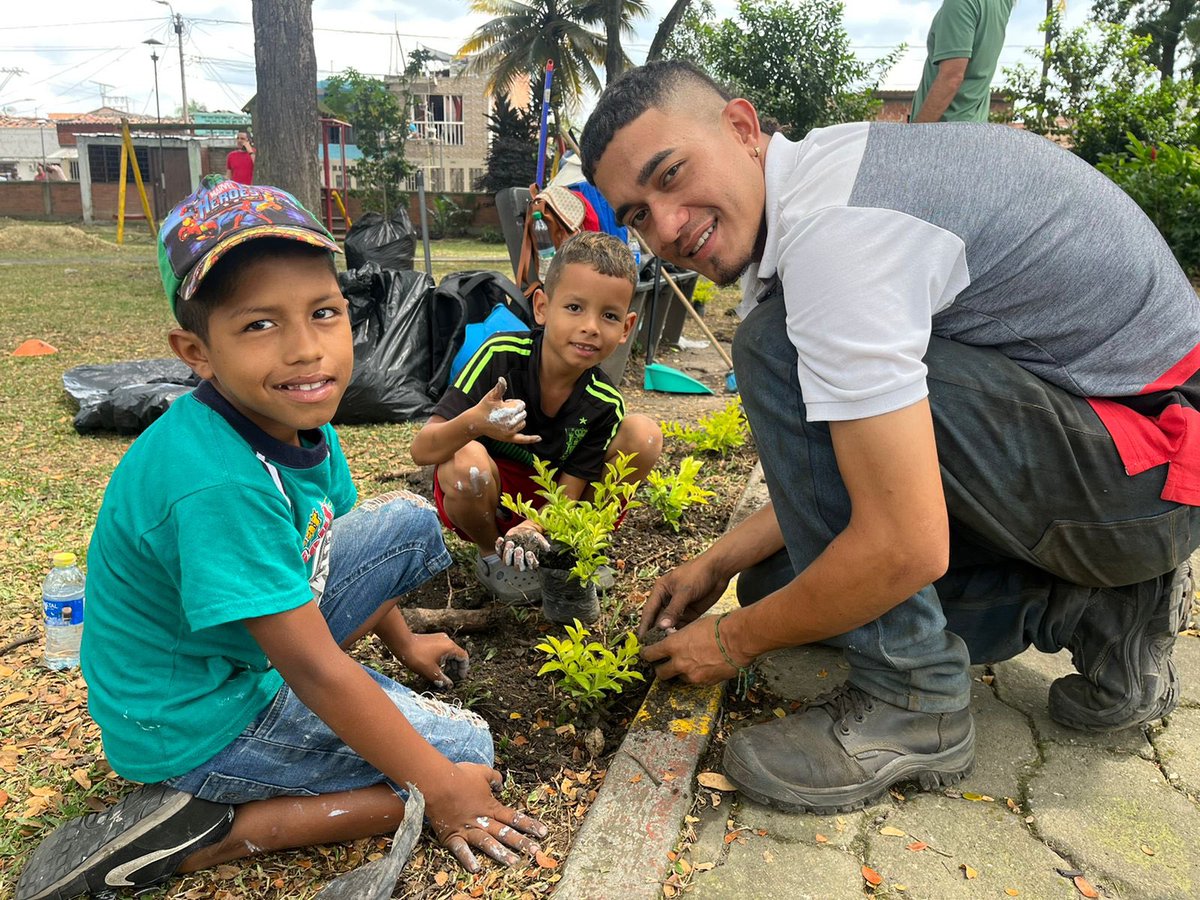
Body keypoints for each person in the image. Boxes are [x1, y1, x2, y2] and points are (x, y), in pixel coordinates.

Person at [580, 60, 1200, 814]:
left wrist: (731, 642)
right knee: (782, 586)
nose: (668, 225)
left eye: (672, 175)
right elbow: (866, 466)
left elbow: (907, 544)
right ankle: (1097, 612)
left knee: (773, 349)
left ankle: (913, 699)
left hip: (1149, 467)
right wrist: (718, 563)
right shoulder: (824, 181)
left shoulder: (837, 237)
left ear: (741, 127)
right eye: (638, 214)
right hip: (1122, 463)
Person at [15, 178, 546, 900]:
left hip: (236, 651)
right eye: (260, 324)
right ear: (196, 351)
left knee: (409, 523)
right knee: (465, 756)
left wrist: (404, 643)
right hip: (193, 716)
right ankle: (209, 830)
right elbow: (316, 671)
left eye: (323, 313)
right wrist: (446, 794)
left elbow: (326, 548)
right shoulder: (216, 482)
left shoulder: (298, 417)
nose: (305, 349)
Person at [411, 231, 662, 603]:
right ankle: (492, 557)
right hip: (487, 497)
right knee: (466, 460)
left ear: (625, 328)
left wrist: (536, 524)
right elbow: (422, 450)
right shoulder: (500, 355)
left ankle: (571, 548)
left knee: (645, 435)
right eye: (574, 307)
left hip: (550, 500)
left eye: (609, 315)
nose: (591, 327)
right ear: (542, 307)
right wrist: (476, 422)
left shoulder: (603, 403)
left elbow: (572, 488)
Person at [910, 0, 1014, 123]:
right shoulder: (1002, 3)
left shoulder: (961, 2)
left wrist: (917, 132)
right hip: (975, 125)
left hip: (945, 129)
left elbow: (951, 77)